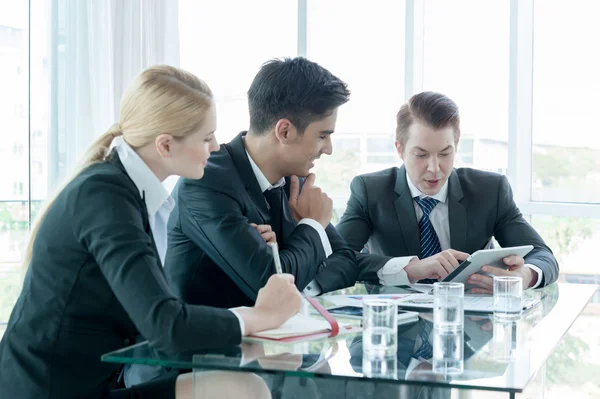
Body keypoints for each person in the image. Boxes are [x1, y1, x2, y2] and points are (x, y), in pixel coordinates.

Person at [0, 65, 303, 399]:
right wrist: (262, 315)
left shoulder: (127, 192)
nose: (216, 147)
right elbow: (166, 326)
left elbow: (156, 310)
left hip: (92, 382)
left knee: (243, 386)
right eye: (206, 137)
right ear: (165, 145)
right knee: (241, 389)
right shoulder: (105, 196)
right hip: (50, 392)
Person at [165, 57, 392, 309]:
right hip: (207, 343)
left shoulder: (295, 177)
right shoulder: (206, 181)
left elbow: (345, 260)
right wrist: (312, 225)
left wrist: (296, 274)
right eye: (322, 136)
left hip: (279, 337)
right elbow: (268, 284)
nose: (327, 149)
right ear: (284, 131)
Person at [337, 91, 559, 292]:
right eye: (421, 155)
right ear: (400, 149)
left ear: (456, 144)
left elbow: (543, 256)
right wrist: (411, 268)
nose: (434, 168)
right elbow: (335, 261)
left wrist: (525, 275)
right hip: (393, 325)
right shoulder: (370, 191)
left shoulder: (490, 190)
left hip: (469, 325)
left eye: (445, 153)